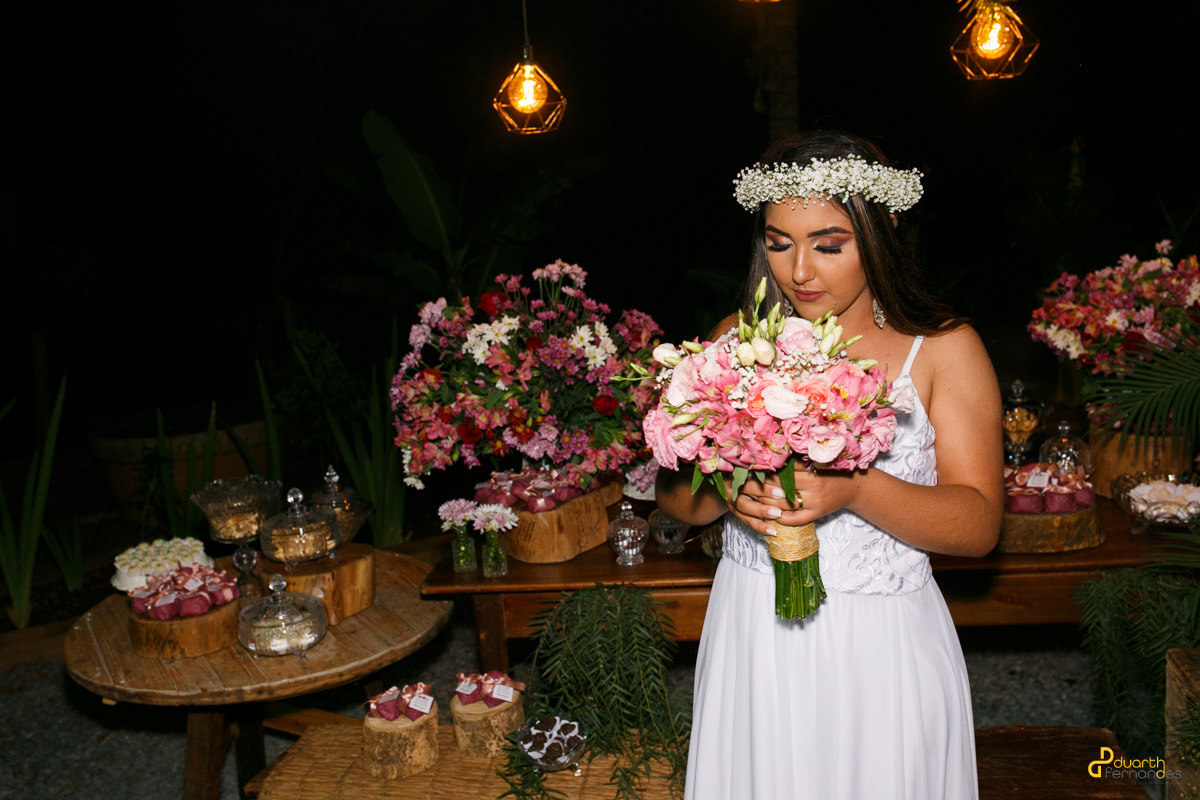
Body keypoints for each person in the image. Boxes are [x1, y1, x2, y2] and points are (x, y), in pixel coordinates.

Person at [655, 129, 1004, 800]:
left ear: (884, 229)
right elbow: (674, 495)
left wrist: (855, 490)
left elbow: (979, 525)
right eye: (779, 243)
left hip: (878, 646)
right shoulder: (740, 337)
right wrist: (729, 491)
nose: (800, 272)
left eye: (829, 244)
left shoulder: (941, 348)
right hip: (752, 629)